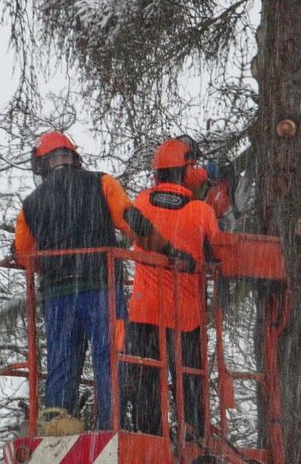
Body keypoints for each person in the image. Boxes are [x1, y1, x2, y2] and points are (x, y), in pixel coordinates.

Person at [13, 131, 194, 435]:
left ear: (42, 166)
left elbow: (23, 254)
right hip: (101, 288)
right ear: (74, 158)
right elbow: (132, 222)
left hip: (58, 296)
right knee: (111, 356)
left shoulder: (31, 205)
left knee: (61, 356)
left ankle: (58, 418)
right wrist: (168, 250)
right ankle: (111, 424)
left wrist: (55, 265)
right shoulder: (101, 183)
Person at [125, 136, 221, 437]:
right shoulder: (201, 212)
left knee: (146, 375)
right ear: (188, 171)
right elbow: (218, 251)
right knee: (190, 377)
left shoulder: (141, 202)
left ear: (156, 173)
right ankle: (192, 428)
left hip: (144, 311)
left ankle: (149, 432)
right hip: (184, 315)